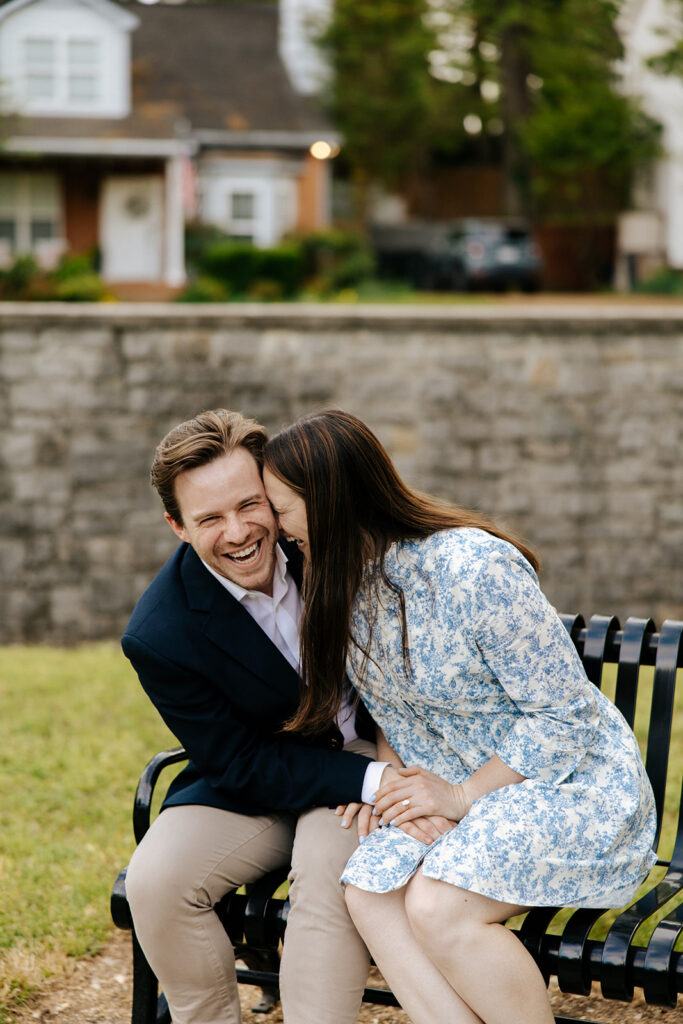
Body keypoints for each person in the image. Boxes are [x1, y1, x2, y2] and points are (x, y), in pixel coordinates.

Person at [262, 409, 658, 1024]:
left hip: (569, 787)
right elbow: (390, 712)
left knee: (437, 905)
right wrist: (399, 793)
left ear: (329, 502)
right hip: (458, 794)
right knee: (369, 891)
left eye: (281, 508)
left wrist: (461, 795)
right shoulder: (340, 585)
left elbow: (565, 717)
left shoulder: (472, 567)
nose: (277, 527)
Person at [121, 408, 391, 1024]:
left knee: (324, 876)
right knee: (154, 883)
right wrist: (374, 781)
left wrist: (380, 767)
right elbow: (237, 762)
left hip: (363, 752)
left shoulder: (328, 545)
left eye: (250, 504)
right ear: (177, 526)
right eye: (209, 518)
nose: (239, 531)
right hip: (255, 777)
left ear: (275, 493)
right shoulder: (159, 633)